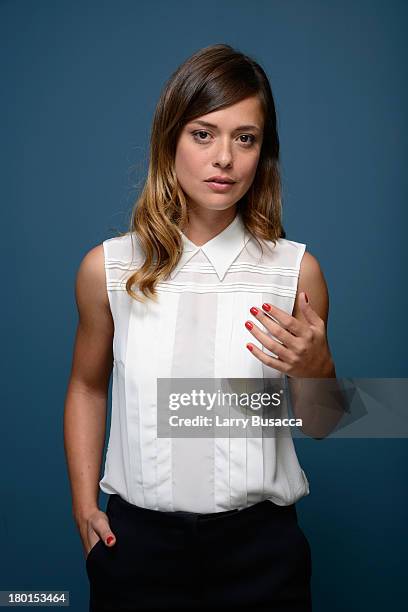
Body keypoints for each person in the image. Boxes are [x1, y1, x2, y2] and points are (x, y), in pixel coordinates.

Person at [64, 43, 337, 612]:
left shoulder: (295, 271)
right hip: (136, 551)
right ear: (170, 140)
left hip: (262, 554)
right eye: (203, 133)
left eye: (246, 138)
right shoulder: (109, 269)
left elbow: (322, 423)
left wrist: (318, 371)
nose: (225, 159)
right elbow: (88, 387)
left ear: (263, 152)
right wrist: (83, 507)